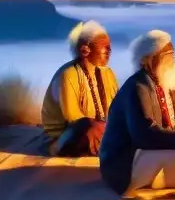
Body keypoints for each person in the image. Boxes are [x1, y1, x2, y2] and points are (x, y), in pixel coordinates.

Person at [99, 30, 175, 196]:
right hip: (129, 160)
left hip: (162, 145)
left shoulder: (166, 81)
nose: (173, 59)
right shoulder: (138, 87)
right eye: (168, 54)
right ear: (149, 59)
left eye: (173, 53)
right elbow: (143, 135)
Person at [41, 21, 119, 156]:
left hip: (102, 128)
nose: (109, 51)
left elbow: (117, 108)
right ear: (85, 50)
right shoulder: (68, 75)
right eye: (104, 46)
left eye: (109, 46)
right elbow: (73, 117)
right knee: (89, 127)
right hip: (66, 134)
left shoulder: (108, 73)